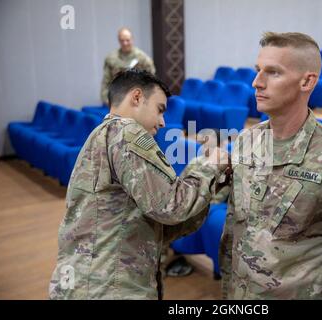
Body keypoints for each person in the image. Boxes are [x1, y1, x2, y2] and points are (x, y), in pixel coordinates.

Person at [220, 32, 322, 300]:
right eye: (257, 70)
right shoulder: (246, 141)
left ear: (307, 81)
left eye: (272, 73)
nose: (256, 82)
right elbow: (234, 226)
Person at [49, 69, 229, 300]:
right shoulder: (127, 133)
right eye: (159, 109)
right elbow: (170, 207)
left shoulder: (103, 134)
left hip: (88, 279)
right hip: (109, 286)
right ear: (136, 97)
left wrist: (212, 185)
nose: (163, 122)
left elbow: (156, 223)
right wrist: (209, 164)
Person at [165, 129, 231, 278]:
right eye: (204, 142)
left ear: (220, 144)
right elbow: (181, 183)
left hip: (210, 203)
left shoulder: (227, 163)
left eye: (210, 142)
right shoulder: (196, 161)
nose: (205, 145)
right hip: (189, 199)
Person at [100, 27, 156, 105]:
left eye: (127, 40)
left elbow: (152, 81)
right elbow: (106, 82)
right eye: (122, 40)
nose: (125, 43)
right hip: (117, 100)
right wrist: (107, 101)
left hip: (138, 100)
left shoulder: (143, 59)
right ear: (119, 40)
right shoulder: (111, 59)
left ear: (132, 39)